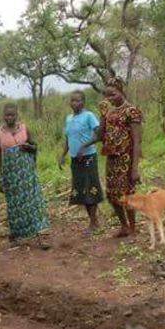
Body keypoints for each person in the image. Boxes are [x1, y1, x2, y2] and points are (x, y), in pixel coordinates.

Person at [79, 78, 143, 237]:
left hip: (126, 159)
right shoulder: (107, 113)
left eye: (113, 94)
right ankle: (124, 227)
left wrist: (134, 169)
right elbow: (100, 135)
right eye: (107, 96)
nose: (110, 99)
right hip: (111, 159)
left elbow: (137, 141)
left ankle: (133, 230)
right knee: (112, 195)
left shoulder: (132, 111)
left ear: (121, 91)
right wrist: (84, 145)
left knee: (126, 194)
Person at [0, 103, 49, 245]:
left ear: (17, 115)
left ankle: (39, 235)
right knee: (14, 204)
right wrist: (0, 179)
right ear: (3, 116)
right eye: (7, 115)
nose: (9, 117)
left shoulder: (24, 128)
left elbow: (35, 146)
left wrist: (28, 147)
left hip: (27, 172)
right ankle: (15, 234)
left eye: (12, 115)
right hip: (11, 175)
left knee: (33, 202)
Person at [59, 91, 103, 235]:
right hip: (75, 159)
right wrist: (63, 155)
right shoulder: (69, 119)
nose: (74, 103)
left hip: (88, 157)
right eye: (72, 101)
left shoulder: (89, 116)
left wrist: (84, 146)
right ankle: (93, 221)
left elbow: (99, 134)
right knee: (81, 191)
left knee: (90, 188)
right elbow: (68, 139)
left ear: (83, 102)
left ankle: (93, 222)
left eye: (77, 101)